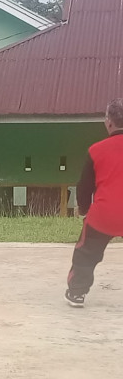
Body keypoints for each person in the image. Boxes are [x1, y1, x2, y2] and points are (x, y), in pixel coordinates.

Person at [65, 98, 123, 307]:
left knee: (86, 253)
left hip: (104, 215)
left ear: (109, 122)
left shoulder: (96, 150)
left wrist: (83, 210)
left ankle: (77, 293)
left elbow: (84, 186)